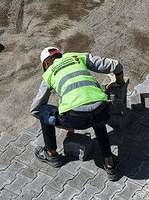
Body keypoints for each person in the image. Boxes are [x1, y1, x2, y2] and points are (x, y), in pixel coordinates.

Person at [31, 46, 123, 179]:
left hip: (76, 119)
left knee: (44, 111)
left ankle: (51, 154)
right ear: (60, 55)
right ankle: (110, 165)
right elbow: (115, 65)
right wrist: (119, 82)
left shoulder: (49, 72)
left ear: (46, 63)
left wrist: (59, 124)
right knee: (97, 116)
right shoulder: (76, 57)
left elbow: (35, 109)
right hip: (103, 110)